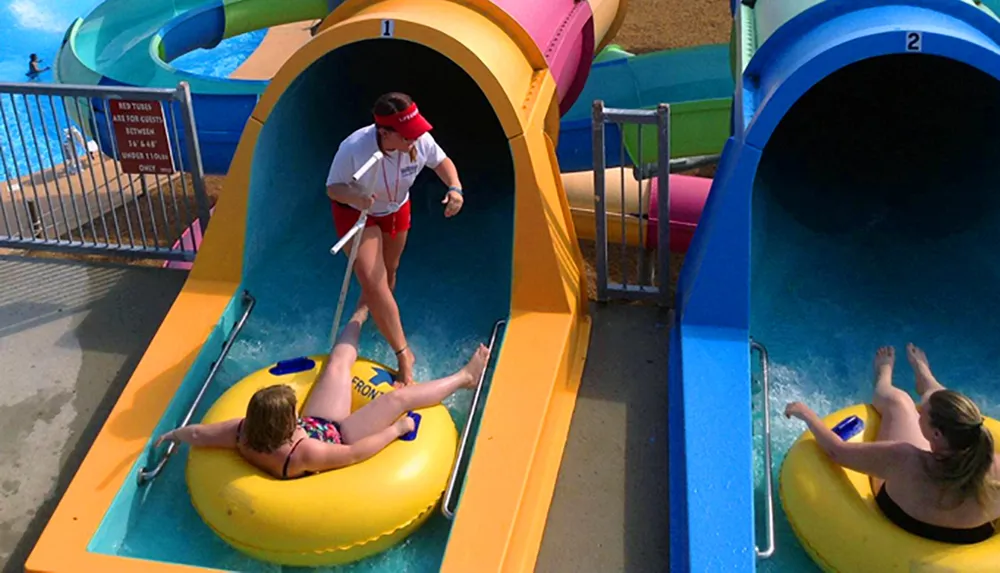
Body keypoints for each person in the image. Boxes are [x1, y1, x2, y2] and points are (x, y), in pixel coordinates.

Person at [155, 307, 488, 479]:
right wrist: (397, 429)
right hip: (340, 436)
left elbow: (199, 432)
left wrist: (172, 434)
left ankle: (361, 311)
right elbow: (356, 453)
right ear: (287, 423)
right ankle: (464, 377)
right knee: (397, 399)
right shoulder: (302, 454)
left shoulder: (243, 433)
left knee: (338, 362)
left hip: (319, 424)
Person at [785, 343, 1000, 544]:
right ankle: (927, 380)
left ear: (936, 434)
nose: (919, 413)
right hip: (970, 537)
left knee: (898, 402)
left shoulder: (904, 459)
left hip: (902, 521)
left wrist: (808, 416)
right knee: (945, 407)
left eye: (923, 412)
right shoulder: (995, 467)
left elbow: (837, 452)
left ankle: (884, 380)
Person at [325, 92, 465, 387]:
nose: (414, 140)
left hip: (396, 207)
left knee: (389, 272)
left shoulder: (419, 141)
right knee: (374, 279)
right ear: (384, 133)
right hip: (356, 212)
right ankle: (404, 354)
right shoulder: (353, 147)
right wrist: (356, 196)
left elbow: (442, 162)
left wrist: (455, 188)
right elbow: (333, 188)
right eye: (407, 135)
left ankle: (368, 313)